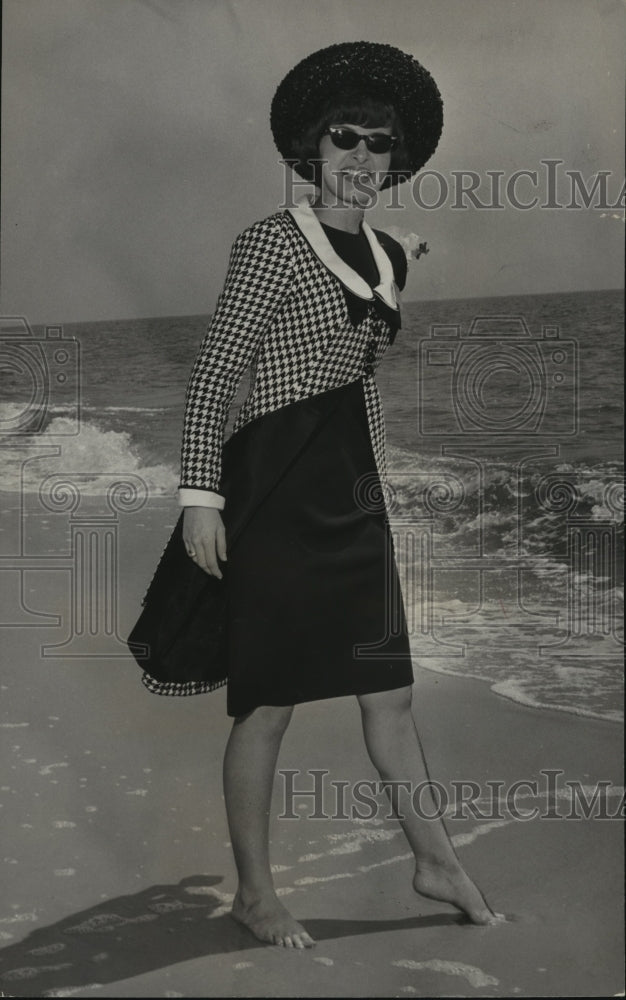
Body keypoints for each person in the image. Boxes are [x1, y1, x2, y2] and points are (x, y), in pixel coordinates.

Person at [164, 41, 503, 948]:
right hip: (272, 488)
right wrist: (201, 496)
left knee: (389, 693)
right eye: (343, 139)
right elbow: (213, 377)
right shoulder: (270, 241)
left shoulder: (386, 252)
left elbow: (376, 287)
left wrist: (410, 247)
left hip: (351, 494)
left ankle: (436, 860)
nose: (360, 156)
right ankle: (255, 894)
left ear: (396, 160)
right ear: (311, 152)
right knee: (266, 702)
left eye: (378, 143)